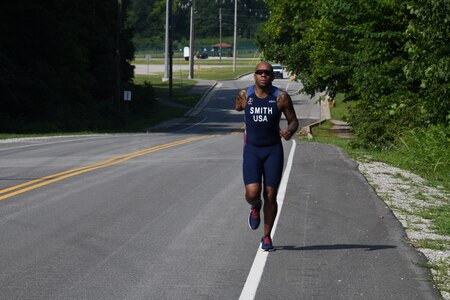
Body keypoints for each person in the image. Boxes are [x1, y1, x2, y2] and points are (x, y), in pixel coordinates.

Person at [235, 62, 299, 251]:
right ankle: (255, 206)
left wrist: (289, 131)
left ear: (272, 76)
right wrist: (241, 103)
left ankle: (267, 237)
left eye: (267, 73)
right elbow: (238, 107)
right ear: (254, 75)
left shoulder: (281, 97)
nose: (263, 75)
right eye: (260, 72)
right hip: (252, 150)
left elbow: (293, 121)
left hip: (273, 151)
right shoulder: (245, 94)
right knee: (252, 193)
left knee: (271, 195)